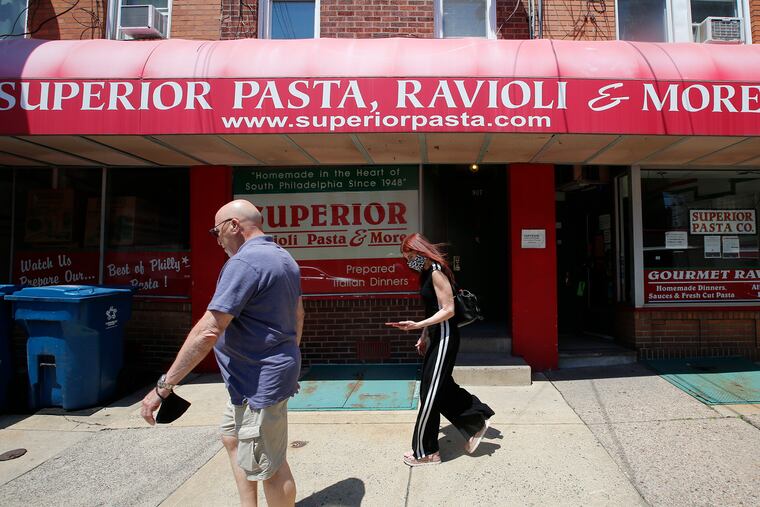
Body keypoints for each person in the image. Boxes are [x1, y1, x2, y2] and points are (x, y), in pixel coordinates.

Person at [141, 199, 304, 507]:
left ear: (234, 225)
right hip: (250, 379)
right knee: (232, 438)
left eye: (215, 231)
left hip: (259, 381)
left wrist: (164, 387)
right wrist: (287, 354)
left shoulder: (244, 263)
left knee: (270, 465)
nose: (216, 240)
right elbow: (298, 313)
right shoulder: (283, 258)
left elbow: (208, 330)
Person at [387, 233, 494, 467]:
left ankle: (427, 452)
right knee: (439, 387)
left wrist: (418, 325)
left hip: (446, 337)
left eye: (410, 256)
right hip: (436, 336)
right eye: (406, 258)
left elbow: (448, 310)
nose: (408, 261)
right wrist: (424, 334)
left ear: (419, 251)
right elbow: (431, 308)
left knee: (430, 393)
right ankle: (476, 419)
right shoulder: (426, 271)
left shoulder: (436, 271)